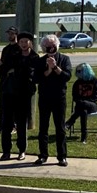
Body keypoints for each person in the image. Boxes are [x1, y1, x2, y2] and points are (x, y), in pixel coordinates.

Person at [0, 31, 39, 160]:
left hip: (24, 95)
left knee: (22, 124)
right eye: (21, 42)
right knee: (7, 124)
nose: (23, 44)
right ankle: (6, 151)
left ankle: (22, 150)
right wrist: (11, 69)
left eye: (26, 42)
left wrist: (16, 71)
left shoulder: (34, 57)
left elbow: (34, 76)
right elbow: (4, 69)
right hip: (9, 93)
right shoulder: (13, 54)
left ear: (30, 43)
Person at [34, 34, 72, 166]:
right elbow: (36, 79)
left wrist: (55, 67)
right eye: (48, 46)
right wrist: (48, 70)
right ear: (44, 48)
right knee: (43, 128)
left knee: (60, 128)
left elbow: (67, 77)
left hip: (59, 98)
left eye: (53, 45)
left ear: (57, 45)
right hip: (44, 98)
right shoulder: (40, 61)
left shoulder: (64, 59)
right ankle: (43, 155)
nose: (51, 48)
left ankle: (62, 157)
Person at [64, 63, 97, 143]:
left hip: (92, 105)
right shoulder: (77, 83)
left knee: (82, 105)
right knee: (83, 111)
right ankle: (84, 136)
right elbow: (75, 97)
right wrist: (81, 101)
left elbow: (95, 97)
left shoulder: (95, 81)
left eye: (80, 71)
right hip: (80, 106)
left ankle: (69, 123)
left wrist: (84, 101)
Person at [0, 26, 20, 134]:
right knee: (3, 103)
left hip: (14, 81)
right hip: (4, 80)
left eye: (12, 33)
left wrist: (9, 68)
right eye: (9, 33)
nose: (10, 35)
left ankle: (14, 125)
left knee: (14, 104)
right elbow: (3, 66)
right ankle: (2, 125)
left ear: (16, 34)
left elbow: (16, 66)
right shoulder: (6, 49)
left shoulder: (18, 49)